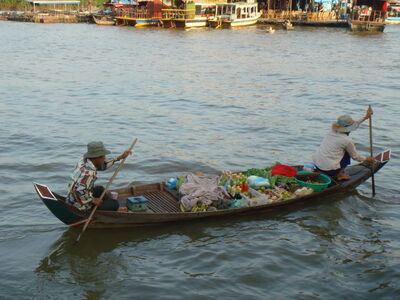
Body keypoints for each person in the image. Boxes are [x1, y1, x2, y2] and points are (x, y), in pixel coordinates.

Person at [312, 107, 375, 181]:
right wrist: (367, 159)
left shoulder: (331, 130)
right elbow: (355, 157)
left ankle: (338, 171)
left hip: (317, 165)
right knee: (348, 152)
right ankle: (339, 174)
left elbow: (355, 123)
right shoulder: (346, 140)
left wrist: (365, 117)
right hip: (329, 170)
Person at [66, 141, 132, 211]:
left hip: (72, 197)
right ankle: (104, 208)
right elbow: (79, 192)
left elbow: (103, 166)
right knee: (115, 204)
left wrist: (120, 157)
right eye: (103, 157)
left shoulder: (84, 161)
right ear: (96, 158)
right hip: (79, 204)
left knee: (99, 189)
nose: (105, 158)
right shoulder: (89, 173)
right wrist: (93, 200)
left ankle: (105, 204)